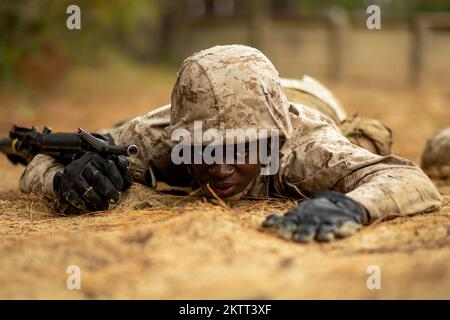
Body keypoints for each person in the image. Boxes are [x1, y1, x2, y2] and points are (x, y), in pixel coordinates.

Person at [18, 45, 442, 242]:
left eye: (241, 150)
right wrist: (63, 183)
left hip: (310, 98)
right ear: (182, 135)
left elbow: (407, 178)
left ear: (273, 142)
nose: (221, 169)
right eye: (204, 149)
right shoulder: (157, 134)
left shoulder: (305, 147)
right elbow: (42, 159)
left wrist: (352, 205)